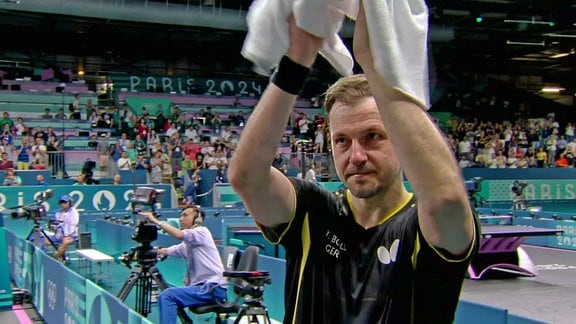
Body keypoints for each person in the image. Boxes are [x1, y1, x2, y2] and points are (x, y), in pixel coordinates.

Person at [227, 10, 478, 323]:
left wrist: (379, 68)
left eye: (372, 136)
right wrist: (297, 59)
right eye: (342, 141)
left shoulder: (422, 227)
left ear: (401, 140)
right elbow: (246, 178)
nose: (356, 156)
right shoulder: (314, 212)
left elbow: (447, 200)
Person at [140, 206, 227, 324]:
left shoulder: (202, 232)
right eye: (181, 215)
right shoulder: (187, 245)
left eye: (185, 215)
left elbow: (179, 235)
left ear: (197, 220)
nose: (181, 219)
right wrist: (150, 250)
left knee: (168, 296)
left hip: (214, 288)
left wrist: (156, 221)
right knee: (167, 296)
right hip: (204, 288)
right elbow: (168, 250)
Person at [49, 195, 79, 261]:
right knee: (45, 240)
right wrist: (52, 227)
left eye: (65, 202)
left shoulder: (73, 212)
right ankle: (61, 256)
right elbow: (54, 224)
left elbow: (72, 226)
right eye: (61, 202)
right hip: (58, 235)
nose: (63, 204)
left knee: (65, 242)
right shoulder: (57, 213)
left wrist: (67, 235)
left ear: (69, 203)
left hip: (71, 236)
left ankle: (55, 259)